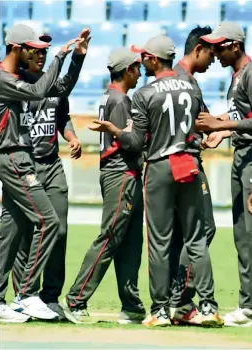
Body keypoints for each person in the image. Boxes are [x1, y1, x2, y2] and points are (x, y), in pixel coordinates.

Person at [89, 35, 222, 327]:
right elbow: (201, 127)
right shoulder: (191, 86)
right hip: (189, 164)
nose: (142, 62)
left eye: (144, 57)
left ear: (152, 59)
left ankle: (161, 310)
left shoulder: (145, 93)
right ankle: (209, 306)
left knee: (159, 242)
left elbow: (135, 142)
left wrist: (114, 129)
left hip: (161, 167)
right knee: (196, 238)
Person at [0, 23, 89, 323]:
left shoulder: (12, 77)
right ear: (17, 48)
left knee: (9, 232)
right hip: (14, 157)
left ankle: (0, 300)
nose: (41, 54)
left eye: (44, 51)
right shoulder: (4, 78)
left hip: (19, 156)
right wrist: (60, 57)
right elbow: (39, 90)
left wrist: (75, 58)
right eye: (35, 50)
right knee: (48, 222)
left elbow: (56, 90)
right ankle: (25, 296)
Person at [59, 47, 145, 325]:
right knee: (110, 236)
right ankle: (75, 299)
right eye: (137, 67)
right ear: (128, 70)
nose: (140, 72)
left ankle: (131, 304)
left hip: (121, 173)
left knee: (130, 240)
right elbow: (131, 143)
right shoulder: (120, 101)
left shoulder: (112, 96)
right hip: (121, 173)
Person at [198, 21, 252, 327]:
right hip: (242, 157)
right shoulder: (237, 77)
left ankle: (249, 306)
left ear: (235, 46)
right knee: (242, 234)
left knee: (249, 234)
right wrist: (223, 132)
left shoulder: (250, 74)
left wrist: (220, 126)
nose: (215, 52)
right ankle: (247, 304)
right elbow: (240, 118)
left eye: (220, 46)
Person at [169, 25, 217, 325]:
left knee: (176, 237)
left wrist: (212, 133)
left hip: (172, 163)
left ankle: (172, 301)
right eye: (210, 53)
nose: (213, 59)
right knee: (204, 229)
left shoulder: (175, 77)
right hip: (185, 163)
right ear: (197, 49)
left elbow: (198, 121)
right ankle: (181, 299)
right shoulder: (184, 82)